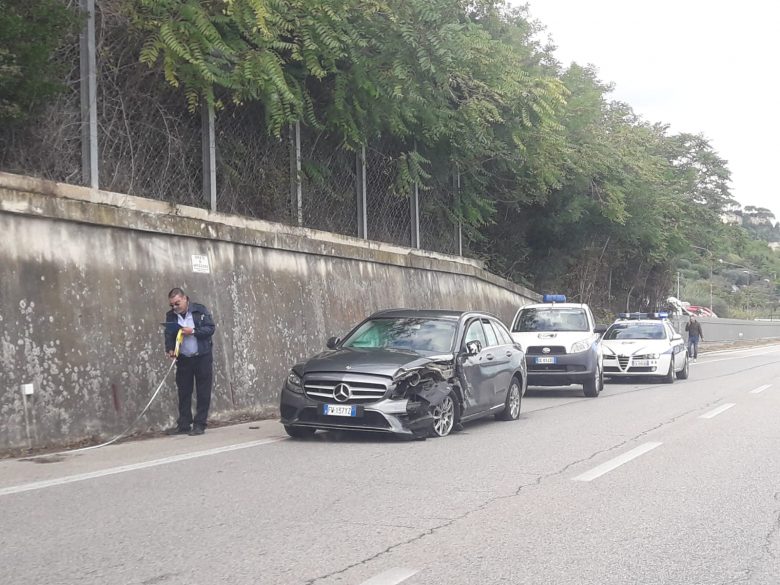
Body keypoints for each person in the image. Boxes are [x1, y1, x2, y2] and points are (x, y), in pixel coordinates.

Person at [164, 288, 216, 435]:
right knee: (184, 392)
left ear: (185, 299)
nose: (174, 307)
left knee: (203, 392)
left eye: (177, 303)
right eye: (172, 305)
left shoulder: (199, 310)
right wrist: (170, 349)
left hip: (202, 356)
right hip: (184, 358)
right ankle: (184, 424)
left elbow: (210, 329)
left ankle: (200, 424)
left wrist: (192, 331)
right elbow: (169, 334)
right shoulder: (171, 315)